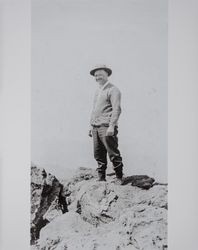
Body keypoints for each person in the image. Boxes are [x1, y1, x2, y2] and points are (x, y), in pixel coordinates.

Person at [89, 65, 124, 184]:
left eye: (100, 74)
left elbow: (117, 109)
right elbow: (95, 110)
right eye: (96, 75)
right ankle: (101, 177)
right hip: (95, 126)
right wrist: (91, 126)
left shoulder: (113, 90)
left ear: (107, 75)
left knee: (113, 152)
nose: (98, 77)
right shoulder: (98, 91)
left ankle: (119, 177)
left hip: (106, 126)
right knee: (98, 153)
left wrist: (112, 126)